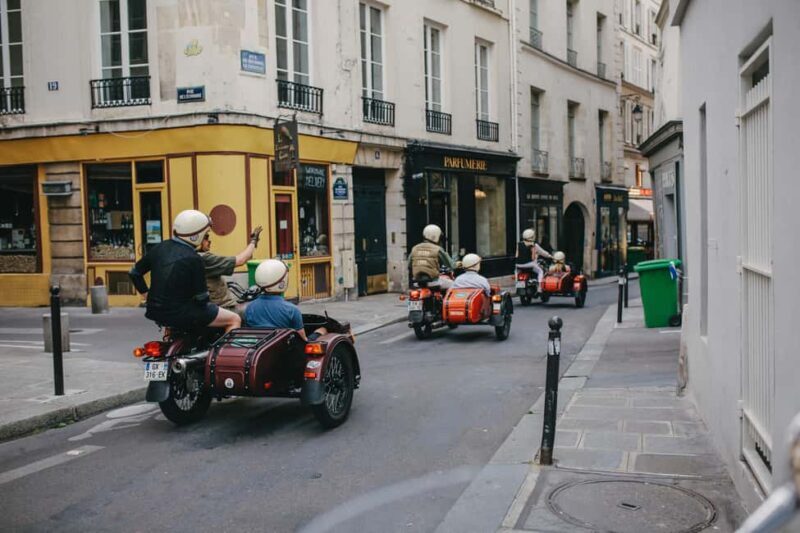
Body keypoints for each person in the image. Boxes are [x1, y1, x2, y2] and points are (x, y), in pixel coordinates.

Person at [129, 209, 241, 333]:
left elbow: (134, 273)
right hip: (183, 314)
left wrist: (148, 296)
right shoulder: (193, 258)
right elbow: (202, 298)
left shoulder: (160, 247)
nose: (206, 237)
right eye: (206, 234)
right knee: (234, 319)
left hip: (155, 311)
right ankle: (222, 352)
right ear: (197, 234)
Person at [245, 259, 327, 341]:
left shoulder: (250, 308)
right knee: (322, 330)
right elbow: (302, 341)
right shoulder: (292, 310)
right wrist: (317, 334)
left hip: (259, 347)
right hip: (285, 350)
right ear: (282, 283)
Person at [199, 225, 263, 312]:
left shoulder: (192, 256)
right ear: (197, 239)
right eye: (206, 237)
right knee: (258, 309)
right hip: (222, 308)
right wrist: (253, 241)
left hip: (215, 307)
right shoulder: (203, 258)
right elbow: (241, 260)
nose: (209, 241)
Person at [408, 224, 456, 290]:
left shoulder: (415, 248)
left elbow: (409, 265)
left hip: (417, 282)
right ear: (435, 236)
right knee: (454, 285)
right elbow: (451, 265)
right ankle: (444, 300)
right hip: (433, 281)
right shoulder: (437, 249)